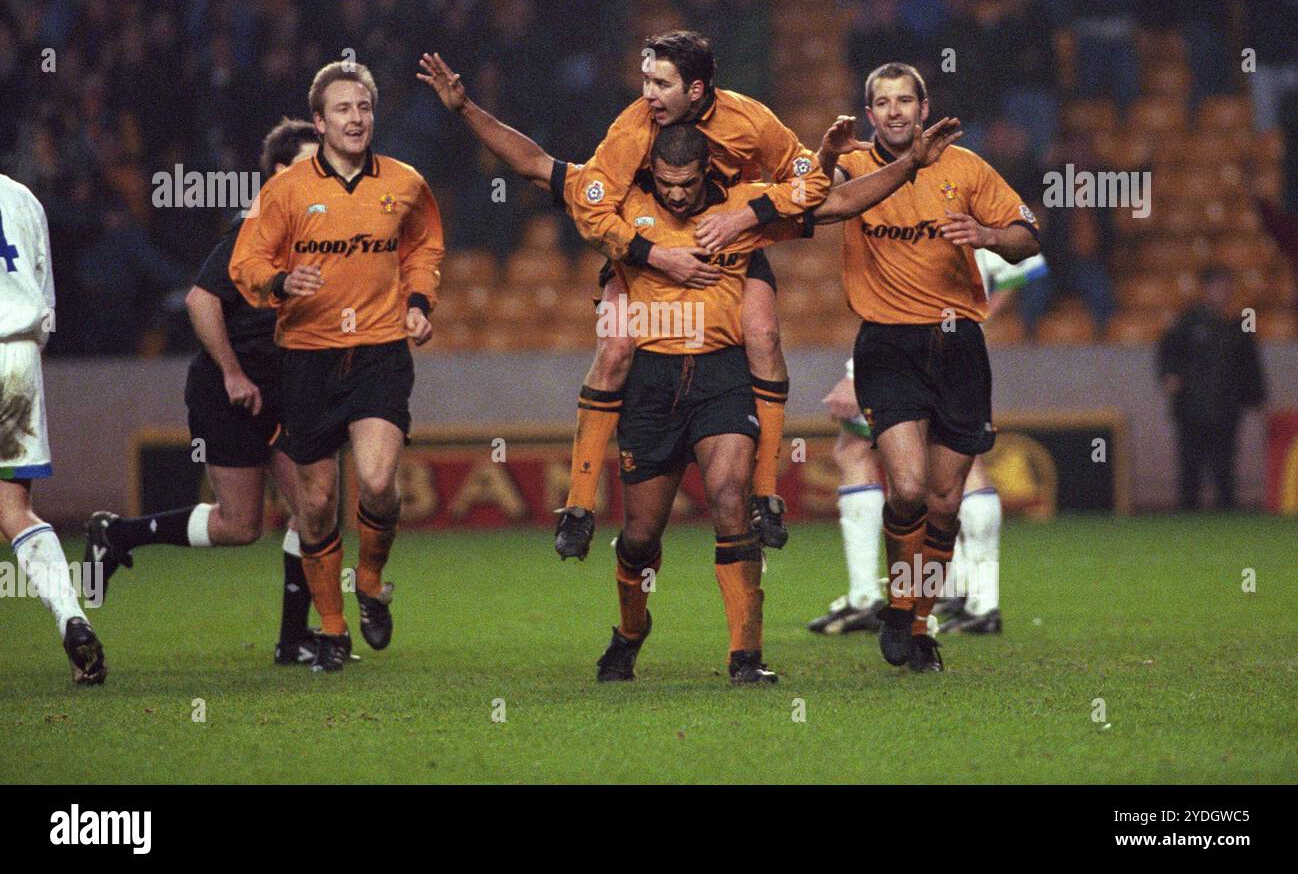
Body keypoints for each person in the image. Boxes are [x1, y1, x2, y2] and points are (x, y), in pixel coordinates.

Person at [416, 54, 960, 681]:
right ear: (652, 172)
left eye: (688, 183)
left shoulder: (742, 210)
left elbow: (836, 203)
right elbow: (535, 163)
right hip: (652, 385)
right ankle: (627, 625)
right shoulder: (623, 201)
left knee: (729, 501)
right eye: (666, 184)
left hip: (719, 378)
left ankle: (745, 656)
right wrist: (463, 109)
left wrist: (908, 164)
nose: (676, 194)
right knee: (643, 536)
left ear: (710, 171)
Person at [422, 30, 830, 561]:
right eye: (646, 80)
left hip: (725, 242)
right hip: (642, 252)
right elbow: (585, 207)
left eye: (662, 83)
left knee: (765, 334)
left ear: (698, 88)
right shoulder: (631, 128)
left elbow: (812, 182)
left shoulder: (752, 121)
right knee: (615, 349)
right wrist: (658, 256)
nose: (649, 93)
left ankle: (766, 495)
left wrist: (745, 216)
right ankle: (578, 506)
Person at [816, 62, 1040, 672]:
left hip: (958, 346)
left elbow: (1029, 236)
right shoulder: (855, 165)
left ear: (922, 106)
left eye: (904, 101)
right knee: (908, 488)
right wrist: (823, 153)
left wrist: (989, 234)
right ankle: (901, 602)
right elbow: (808, 205)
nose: (893, 111)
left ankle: (916, 621)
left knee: (945, 503)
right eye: (881, 102)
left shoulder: (966, 168)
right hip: (887, 346)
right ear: (869, 114)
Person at [84, 118, 325, 665]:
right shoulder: (254, 227)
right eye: (311, 165)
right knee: (240, 526)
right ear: (280, 174)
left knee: (313, 508)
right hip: (229, 390)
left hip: (284, 393)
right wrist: (234, 373)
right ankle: (120, 535)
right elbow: (200, 300)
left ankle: (294, 642)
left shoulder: (316, 233)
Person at [230, 62, 444, 672]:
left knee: (377, 483)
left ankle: (370, 581)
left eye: (364, 108)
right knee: (317, 503)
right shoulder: (286, 191)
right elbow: (246, 262)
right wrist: (279, 280)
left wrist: (421, 301)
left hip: (379, 352)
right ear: (320, 122)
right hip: (305, 359)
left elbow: (426, 244)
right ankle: (331, 628)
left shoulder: (404, 182)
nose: (356, 119)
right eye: (343, 110)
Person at [810, 244, 1046, 637]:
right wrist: (972, 323)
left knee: (858, 453)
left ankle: (871, 598)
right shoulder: (972, 190)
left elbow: (901, 292)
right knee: (958, 468)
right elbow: (1025, 263)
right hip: (958, 349)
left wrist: (855, 374)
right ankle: (973, 597)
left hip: (906, 355)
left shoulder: (901, 203)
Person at [0, 172, 105, 684]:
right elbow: (46, 299)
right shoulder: (22, 197)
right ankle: (72, 617)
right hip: (18, 356)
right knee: (13, 508)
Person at [1156, 266, 1267, 510]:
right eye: (1217, 286)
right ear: (1205, 290)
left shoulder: (1239, 325)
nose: (1223, 291)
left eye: (1226, 286)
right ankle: (1188, 515)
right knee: (1190, 467)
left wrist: (1257, 398)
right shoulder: (1188, 321)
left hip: (1226, 409)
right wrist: (1169, 376)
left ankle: (1227, 516)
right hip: (1191, 408)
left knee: (1224, 467)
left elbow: (1250, 364)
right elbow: (1168, 352)